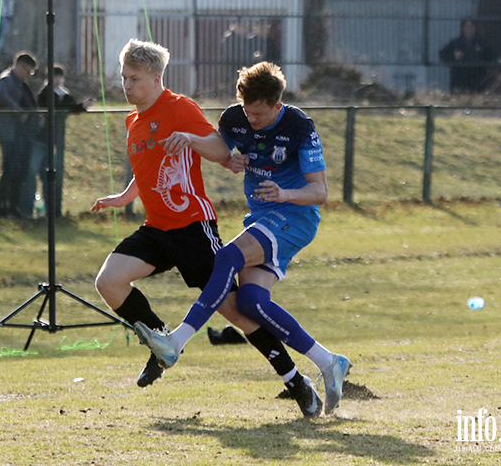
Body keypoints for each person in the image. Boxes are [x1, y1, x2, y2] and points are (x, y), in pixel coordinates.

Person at [91, 40, 322, 418]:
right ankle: (161, 342)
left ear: (155, 78)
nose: (126, 86)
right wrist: (125, 195)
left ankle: (295, 380)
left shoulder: (179, 107)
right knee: (109, 282)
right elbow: (147, 169)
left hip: (192, 228)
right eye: (123, 78)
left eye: (134, 79)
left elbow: (219, 150)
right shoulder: (132, 120)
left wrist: (192, 140)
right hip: (156, 228)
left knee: (238, 313)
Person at [134, 61, 352, 417]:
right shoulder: (234, 118)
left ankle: (176, 342)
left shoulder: (299, 126)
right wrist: (198, 143)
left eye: (260, 115)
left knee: (226, 257)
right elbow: (219, 149)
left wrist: (284, 193)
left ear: (277, 105)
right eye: (248, 112)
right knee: (251, 302)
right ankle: (329, 362)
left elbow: (320, 191)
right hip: (262, 218)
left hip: (295, 216)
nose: (253, 120)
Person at [24, 65, 94, 219]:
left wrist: (83, 106)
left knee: (51, 177)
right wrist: (75, 106)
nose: (58, 80)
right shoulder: (45, 93)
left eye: (60, 77)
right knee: (31, 173)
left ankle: (53, 212)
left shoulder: (63, 93)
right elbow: (55, 106)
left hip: (53, 144)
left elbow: (72, 107)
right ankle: (27, 211)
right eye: (54, 77)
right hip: (39, 141)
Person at [0, 51, 39, 219]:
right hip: (7, 132)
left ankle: (13, 207)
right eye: (29, 71)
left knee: (18, 171)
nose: (29, 76)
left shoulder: (19, 83)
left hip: (17, 134)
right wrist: (18, 111)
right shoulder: (6, 80)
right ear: (19, 67)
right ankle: (3, 209)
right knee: (9, 170)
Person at [439, 18, 501, 92]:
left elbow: (492, 54)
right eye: (467, 27)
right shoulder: (455, 43)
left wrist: (498, 59)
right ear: (463, 29)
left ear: (475, 28)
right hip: (459, 83)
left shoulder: (482, 44)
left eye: (472, 27)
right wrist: (453, 56)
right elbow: (443, 56)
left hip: (478, 83)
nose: (469, 29)